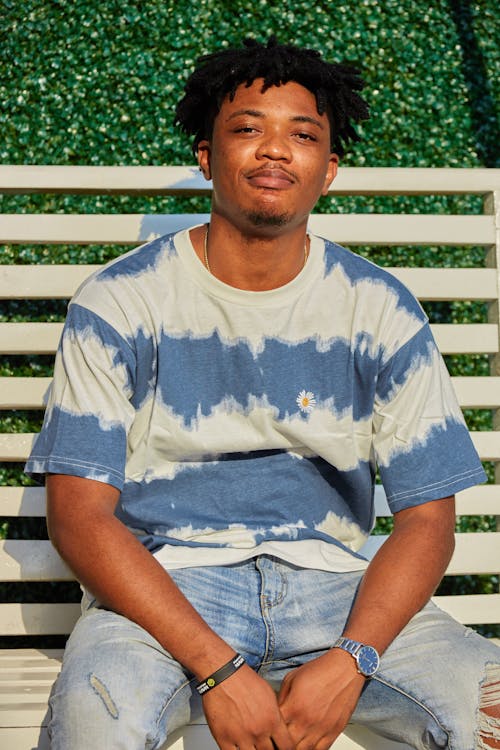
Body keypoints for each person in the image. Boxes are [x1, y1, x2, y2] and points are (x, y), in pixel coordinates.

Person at [26, 37, 500, 750]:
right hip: (168, 595)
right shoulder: (120, 302)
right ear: (207, 157)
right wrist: (217, 668)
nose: (274, 151)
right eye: (247, 129)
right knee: (95, 726)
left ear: (329, 169)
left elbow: (428, 519)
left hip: (340, 595)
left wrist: (353, 659)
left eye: (302, 136)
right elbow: (81, 516)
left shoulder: (378, 308)